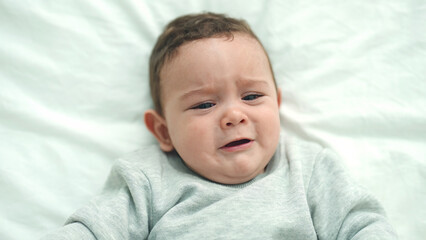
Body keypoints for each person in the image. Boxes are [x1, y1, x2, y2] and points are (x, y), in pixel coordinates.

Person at [41, 12, 397, 239]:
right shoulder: (147, 179)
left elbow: (362, 224)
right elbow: (93, 230)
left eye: (252, 97)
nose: (233, 115)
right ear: (163, 131)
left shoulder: (309, 168)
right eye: (204, 104)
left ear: (277, 103)